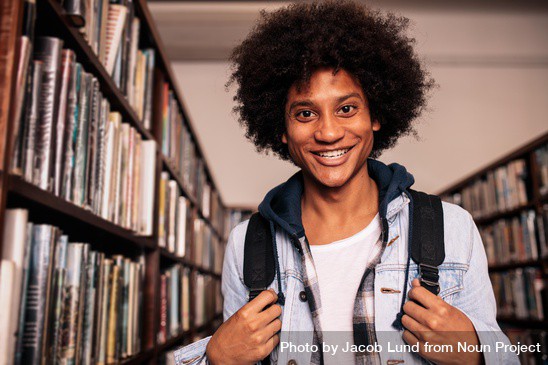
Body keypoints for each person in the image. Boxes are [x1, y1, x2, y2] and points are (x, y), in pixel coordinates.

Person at [174, 1, 518, 364]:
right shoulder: (247, 244)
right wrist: (216, 360)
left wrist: (478, 353)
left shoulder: (451, 227)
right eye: (305, 113)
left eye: (347, 108)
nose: (328, 132)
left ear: (376, 115)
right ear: (282, 130)